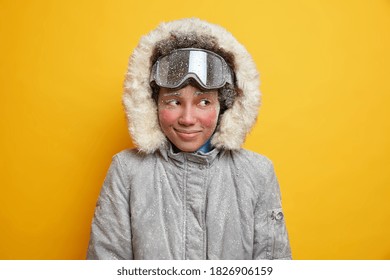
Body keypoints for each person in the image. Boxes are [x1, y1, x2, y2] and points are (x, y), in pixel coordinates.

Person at [87, 18, 291, 260]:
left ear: (224, 106)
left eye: (204, 102)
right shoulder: (127, 171)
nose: (187, 118)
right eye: (173, 101)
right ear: (152, 104)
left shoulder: (257, 173)